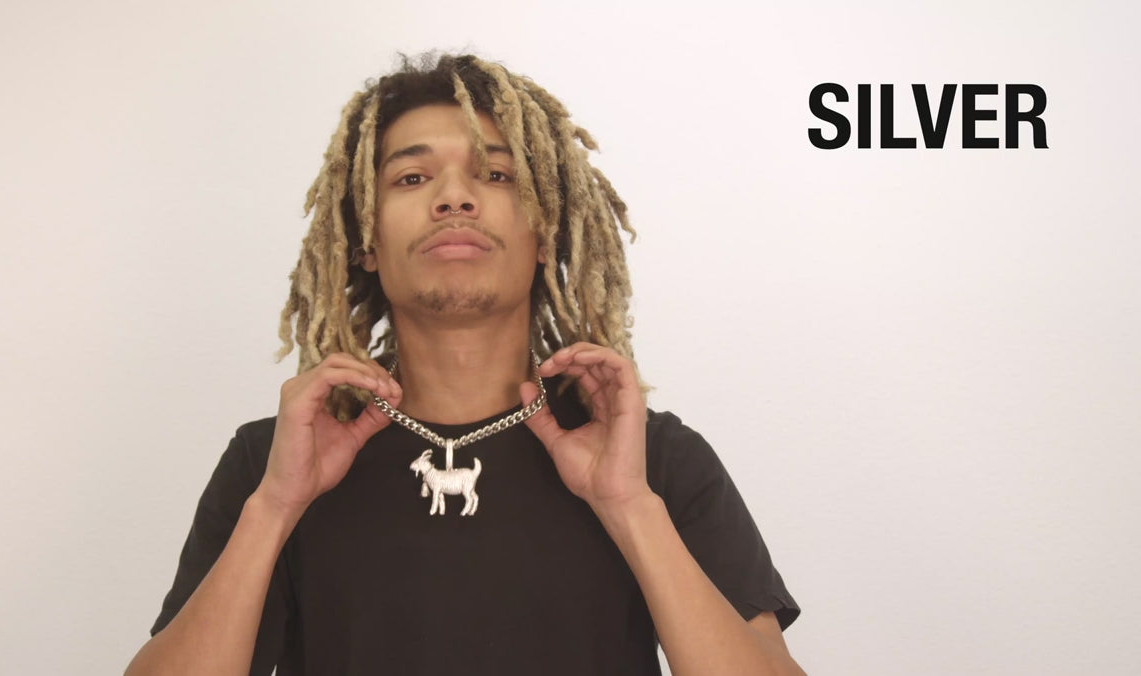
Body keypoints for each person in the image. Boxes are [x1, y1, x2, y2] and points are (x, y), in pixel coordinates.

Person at [124, 52, 803, 676]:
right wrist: (274, 508)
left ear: (544, 232)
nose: (454, 198)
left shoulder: (656, 458)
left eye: (496, 175)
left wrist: (629, 505)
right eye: (412, 178)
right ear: (366, 240)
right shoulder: (272, 463)